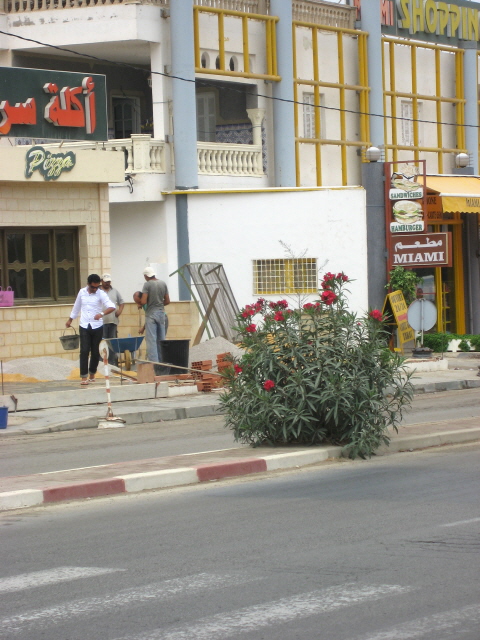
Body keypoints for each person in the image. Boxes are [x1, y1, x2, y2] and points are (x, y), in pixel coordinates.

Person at [66, 274, 115, 386]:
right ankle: (84, 376)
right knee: (84, 351)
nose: (94, 289)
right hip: (84, 325)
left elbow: (112, 306)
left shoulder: (101, 294)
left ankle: (92, 372)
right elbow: (76, 307)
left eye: (96, 287)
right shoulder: (82, 292)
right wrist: (70, 320)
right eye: (92, 287)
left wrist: (101, 314)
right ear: (88, 284)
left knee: (95, 351)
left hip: (97, 326)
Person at [138, 267, 170, 369]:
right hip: (161, 313)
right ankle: (162, 364)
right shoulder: (163, 283)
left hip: (151, 314)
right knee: (161, 340)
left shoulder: (147, 284)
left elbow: (143, 301)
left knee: (151, 340)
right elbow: (167, 301)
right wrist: (159, 304)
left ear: (146, 276)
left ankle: (154, 366)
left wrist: (140, 304)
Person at [101, 274, 125, 366]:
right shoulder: (98, 291)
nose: (107, 283)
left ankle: (112, 363)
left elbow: (121, 302)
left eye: (109, 281)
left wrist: (119, 310)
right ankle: (102, 362)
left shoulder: (114, 291)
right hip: (101, 322)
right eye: (106, 281)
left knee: (112, 342)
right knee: (102, 342)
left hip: (112, 321)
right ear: (102, 281)